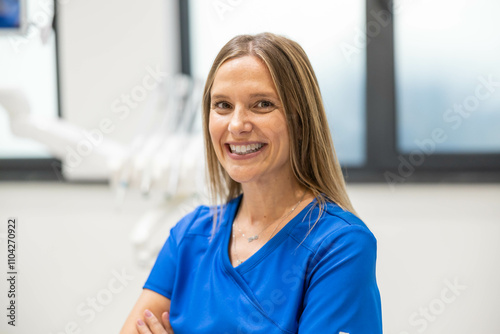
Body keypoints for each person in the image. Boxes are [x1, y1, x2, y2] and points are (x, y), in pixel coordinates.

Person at [120, 32, 382, 334]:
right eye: (222, 105)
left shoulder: (340, 246)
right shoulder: (190, 236)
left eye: (261, 104)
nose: (236, 125)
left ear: (300, 121)